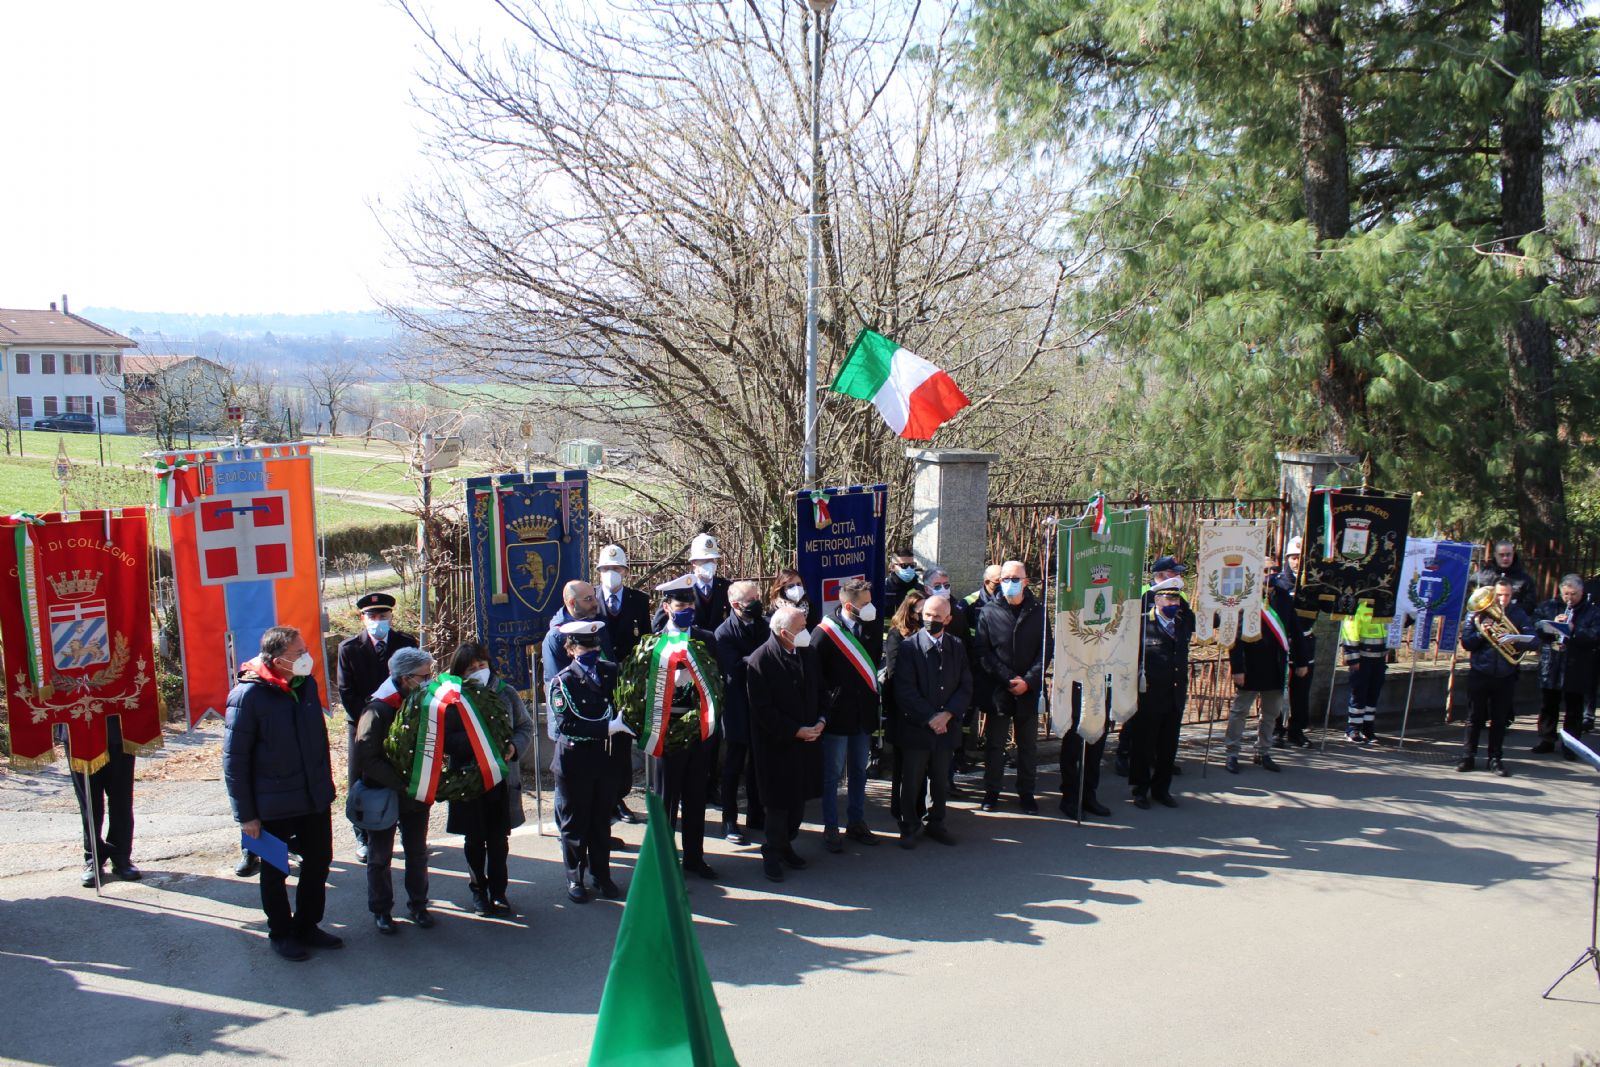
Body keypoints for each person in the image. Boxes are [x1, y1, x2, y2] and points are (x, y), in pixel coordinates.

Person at [223, 626, 341, 962]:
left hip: (312, 797)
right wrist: (246, 815)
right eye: (299, 653)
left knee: (318, 862)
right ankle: (281, 932)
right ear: (277, 661)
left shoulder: (306, 684)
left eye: (305, 650)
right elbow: (234, 760)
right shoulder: (247, 696)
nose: (306, 657)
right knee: (275, 871)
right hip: (270, 805)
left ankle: (307, 925)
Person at [353, 647, 438, 934]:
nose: (428, 681)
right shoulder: (378, 709)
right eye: (423, 676)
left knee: (417, 853)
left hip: (415, 794)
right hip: (384, 793)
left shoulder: (424, 703)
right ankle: (381, 910)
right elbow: (367, 757)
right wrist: (403, 783)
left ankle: (419, 904)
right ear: (404, 678)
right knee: (380, 857)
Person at [446, 642, 534, 915]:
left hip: (500, 780)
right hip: (468, 780)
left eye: (481, 665)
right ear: (460, 673)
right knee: (474, 841)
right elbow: (446, 739)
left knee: (498, 841)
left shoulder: (506, 692)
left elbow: (525, 726)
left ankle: (498, 892)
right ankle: (478, 891)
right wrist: (476, 743)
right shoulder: (452, 699)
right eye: (470, 669)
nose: (478, 671)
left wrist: (513, 747)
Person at [334, 592, 417, 869]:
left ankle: (406, 828)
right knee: (363, 777)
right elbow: (347, 692)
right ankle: (363, 836)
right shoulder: (349, 648)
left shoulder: (405, 643)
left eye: (383, 616)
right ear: (363, 618)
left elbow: (413, 683)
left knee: (402, 772)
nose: (378, 621)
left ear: (391, 617)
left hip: (400, 721)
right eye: (372, 616)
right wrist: (371, 717)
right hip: (363, 723)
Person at [546, 621, 626, 902]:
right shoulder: (563, 681)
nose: (591, 651)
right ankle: (575, 878)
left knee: (601, 823)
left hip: (604, 759)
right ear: (571, 649)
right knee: (575, 824)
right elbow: (566, 724)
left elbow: (622, 703)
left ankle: (602, 875)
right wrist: (607, 728)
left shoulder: (610, 672)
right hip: (575, 762)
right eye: (584, 647)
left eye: (594, 645)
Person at [649, 575, 722, 880]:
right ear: (667, 607)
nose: (687, 610)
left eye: (691, 606)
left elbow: (717, 680)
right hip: (667, 729)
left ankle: (694, 857)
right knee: (666, 798)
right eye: (681, 606)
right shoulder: (654, 642)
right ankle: (664, 861)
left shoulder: (706, 638)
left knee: (695, 796)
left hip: (699, 728)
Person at [745, 605, 825, 881]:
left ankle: (786, 844)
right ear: (783, 632)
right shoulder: (761, 660)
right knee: (778, 804)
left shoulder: (808, 653)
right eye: (800, 628)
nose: (806, 632)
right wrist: (795, 731)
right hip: (777, 746)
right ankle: (772, 851)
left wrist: (821, 720)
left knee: (798, 802)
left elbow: (821, 691)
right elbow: (762, 710)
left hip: (807, 741)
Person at [892, 594, 971, 848]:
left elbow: (965, 686)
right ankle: (909, 826)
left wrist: (947, 714)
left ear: (947, 619)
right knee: (911, 779)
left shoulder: (956, 646)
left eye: (936, 616)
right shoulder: (909, 647)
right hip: (917, 727)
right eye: (927, 614)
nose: (930, 620)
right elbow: (905, 689)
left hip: (945, 727)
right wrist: (930, 717)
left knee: (939, 779)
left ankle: (936, 822)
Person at [814, 578, 883, 852]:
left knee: (858, 771)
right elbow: (816, 675)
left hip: (863, 714)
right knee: (832, 775)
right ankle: (831, 827)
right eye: (864, 603)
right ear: (848, 606)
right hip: (837, 715)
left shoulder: (871, 626)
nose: (870, 608)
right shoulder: (825, 633)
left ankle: (856, 822)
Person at [976, 560, 1049, 814]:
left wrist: (1028, 680)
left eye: (1014, 579)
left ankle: (1027, 793)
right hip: (999, 689)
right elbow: (983, 651)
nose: (1009, 583)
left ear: (1026, 582)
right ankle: (992, 792)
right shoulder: (988, 611)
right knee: (995, 745)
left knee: (1027, 746)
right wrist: (1007, 678)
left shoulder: (1038, 611)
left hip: (1028, 690)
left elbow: (1045, 650)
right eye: (1005, 579)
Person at [1116, 555, 1188, 777]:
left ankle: (1160, 758)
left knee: (1165, 724)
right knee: (1136, 720)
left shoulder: (1180, 595)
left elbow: (1188, 623)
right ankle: (1124, 755)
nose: (1178, 576)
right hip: (1145, 672)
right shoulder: (1143, 594)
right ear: (1162, 574)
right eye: (1174, 572)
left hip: (1170, 675)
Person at [1225, 573, 1306, 772]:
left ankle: (1263, 751)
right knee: (1240, 712)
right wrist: (1237, 668)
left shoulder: (1284, 598)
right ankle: (1232, 752)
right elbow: (1235, 636)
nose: (1268, 575)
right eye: (1264, 570)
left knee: (1270, 713)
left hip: (1276, 666)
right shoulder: (1245, 597)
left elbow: (1296, 631)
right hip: (1251, 666)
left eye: (1272, 571)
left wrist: (1302, 661)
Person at [596, 544, 651, 826]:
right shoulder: (590, 599)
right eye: (606, 568)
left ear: (626, 571)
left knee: (621, 743)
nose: (611, 573)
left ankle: (619, 797)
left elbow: (646, 639)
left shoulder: (638, 600)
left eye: (616, 568)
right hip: (597, 683)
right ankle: (600, 799)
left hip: (628, 684)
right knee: (598, 743)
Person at [1458, 578, 1534, 775]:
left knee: (1499, 720)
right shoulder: (1476, 614)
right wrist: (1482, 633)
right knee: (1474, 717)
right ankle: (1468, 756)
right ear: (1492, 594)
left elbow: (1533, 640)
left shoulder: (1518, 614)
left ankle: (1495, 759)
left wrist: (1514, 640)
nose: (1502, 600)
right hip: (1480, 672)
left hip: (1505, 674)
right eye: (1499, 595)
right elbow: (1467, 643)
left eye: (1506, 595)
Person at [1128, 579, 1193, 808]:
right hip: (1149, 695)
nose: (1174, 602)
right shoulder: (1142, 624)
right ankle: (1140, 790)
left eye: (1177, 598)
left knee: (1168, 747)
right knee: (1144, 746)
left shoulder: (1183, 623)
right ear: (1156, 599)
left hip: (1174, 695)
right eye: (1169, 598)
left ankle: (1161, 789)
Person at [713, 580, 767, 844]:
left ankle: (756, 814)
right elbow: (734, 667)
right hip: (736, 705)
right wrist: (764, 657)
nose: (757, 602)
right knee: (734, 765)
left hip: (760, 704)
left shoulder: (763, 625)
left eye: (757, 596)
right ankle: (729, 819)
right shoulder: (723, 633)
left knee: (758, 762)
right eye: (751, 599)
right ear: (735, 604)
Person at [66, 718, 140, 888]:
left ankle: (121, 857)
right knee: (89, 801)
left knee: (121, 797)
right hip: (78, 727)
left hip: (117, 725)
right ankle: (93, 857)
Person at [1532, 575, 1600, 758]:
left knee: (1574, 708)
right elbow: (1536, 625)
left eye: (1574, 594)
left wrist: (1573, 629)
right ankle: (1546, 739)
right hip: (1552, 662)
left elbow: (1595, 635)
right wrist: (1553, 625)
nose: (1569, 598)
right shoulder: (1549, 606)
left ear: (1582, 592)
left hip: (1577, 664)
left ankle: (1571, 745)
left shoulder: (1592, 611)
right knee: (1548, 704)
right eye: (1566, 594)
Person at [883, 588, 927, 825]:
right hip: (904, 709)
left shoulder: (930, 632)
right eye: (921, 611)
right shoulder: (897, 634)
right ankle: (900, 810)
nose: (924, 615)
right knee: (904, 764)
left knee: (923, 765)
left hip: (926, 706)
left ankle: (921, 808)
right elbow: (894, 671)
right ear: (909, 611)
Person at [1276, 538, 1316, 748]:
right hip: (1282, 642)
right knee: (1277, 689)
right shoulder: (1279, 583)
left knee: (1301, 690)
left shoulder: (1314, 584)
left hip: (1305, 641)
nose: (1296, 562)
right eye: (1293, 557)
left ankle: (1296, 730)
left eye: (1300, 558)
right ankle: (1276, 729)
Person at [652, 533, 734, 634]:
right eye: (705, 560)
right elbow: (658, 626)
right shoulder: (681, 588)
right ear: (693, 562)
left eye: (713, 560)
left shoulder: (726, 587)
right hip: (691, 642)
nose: (710, 564)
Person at [542, 579, 611, 684]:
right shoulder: (556, 636)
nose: (595, 603)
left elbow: (609, 660)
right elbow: (557, 683)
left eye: (595, 596)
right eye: (588, 599)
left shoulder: (596, 623)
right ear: (572, 603)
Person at [1340, 601, 1389, 744]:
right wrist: (1353, 658)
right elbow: (1350, 633)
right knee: (1359, 694)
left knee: (1373, 694)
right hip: (1362, 659)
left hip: (1379, 658)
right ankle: (1353, 729)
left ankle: (1368, 729)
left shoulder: (1385, 607)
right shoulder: (1358, 608)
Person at [1471, 540, 1538, 613]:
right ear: (1495, 555)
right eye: (1501, 555)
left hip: (1513, 618)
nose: (1505, 558)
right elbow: (1470, 598)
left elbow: (1530, 605)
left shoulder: (1525, 579)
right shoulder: (1482, 575)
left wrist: (1510, 611)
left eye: (1508, 554)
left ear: (1513, 554)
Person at [886, 546, 921, 613]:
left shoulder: (920, 589)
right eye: (904, 565)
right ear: (892, 567)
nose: (909, 568)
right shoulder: (884, 589)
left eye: (912, 565)